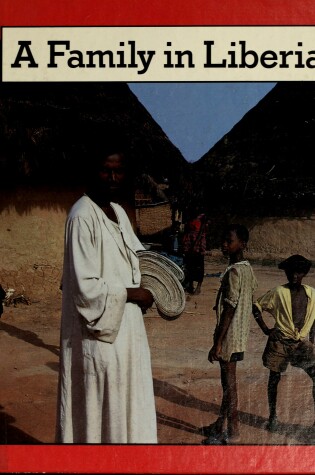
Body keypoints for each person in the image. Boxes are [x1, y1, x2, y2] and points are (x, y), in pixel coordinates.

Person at [55, 142, 157, 444]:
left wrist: (155, 283)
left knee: (128, 405)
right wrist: (133, 294)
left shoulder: (118, 213)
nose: (113, 178)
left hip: (128, 331)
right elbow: (85, 288)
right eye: (105, 171)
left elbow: (139, 261)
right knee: (99, 409)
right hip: (99, 334)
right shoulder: (81, 216)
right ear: (92, 172)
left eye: (119, 171)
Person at [203, 224, 257, 445]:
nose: (224, 245)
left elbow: (230, 308)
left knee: (229, 385)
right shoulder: (247, 269)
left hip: (229, 336)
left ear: (242, 244)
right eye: (223, 241)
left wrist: (217, 342)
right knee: (228, 383)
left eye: (229, 241)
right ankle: (220, 424)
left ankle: (233, 431)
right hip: (240, 335)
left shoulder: (234, 272)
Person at [252, 254, 315, 432]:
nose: (294, 276)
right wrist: (266, 329)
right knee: (274, 379)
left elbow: (314, 319)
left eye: (298, 273)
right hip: (279, 341)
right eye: (291, 273)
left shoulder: (311, 294)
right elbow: (256, 306)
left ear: (304, 273)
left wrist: (312, 342)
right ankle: (273, 416)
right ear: (286, 273)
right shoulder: (279, 292)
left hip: (301, 343)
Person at [182, 213, 207, 295]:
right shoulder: (190, 216)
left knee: (199, 264)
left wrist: (196, 243)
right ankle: (190, 285)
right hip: (189, 241)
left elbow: (202, 230)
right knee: (190, 264)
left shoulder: (202, 216)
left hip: (198, 243)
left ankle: (198, 287)